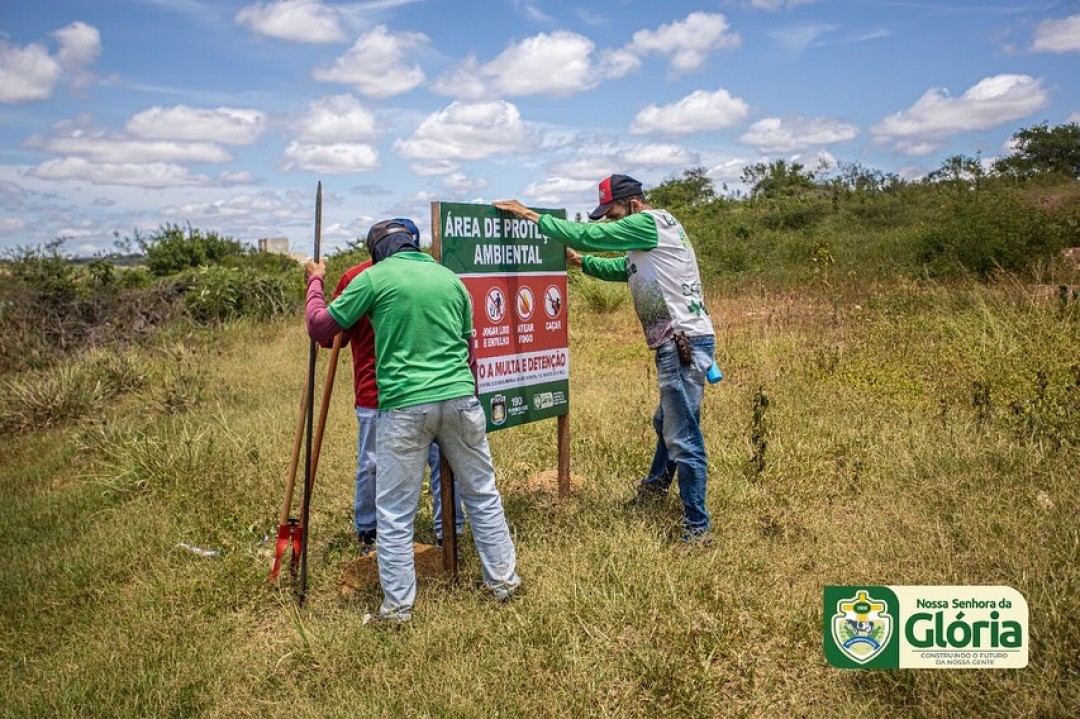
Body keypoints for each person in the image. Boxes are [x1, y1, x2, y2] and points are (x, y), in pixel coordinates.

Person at [306, 218, 520, 621]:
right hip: (460, 399)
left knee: (394, 512)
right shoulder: (450, 279)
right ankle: (504, 583)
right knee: (483, 494)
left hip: (404, 406)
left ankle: (398, 608)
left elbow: (320, 327)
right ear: (412, 245)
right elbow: (469, 351)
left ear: (376, 253)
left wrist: (315, 281)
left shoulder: (372, 279)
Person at [495, 175, 717, 542]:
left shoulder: (648, 222)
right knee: (667, 422)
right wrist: (581, 262)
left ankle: (697, 527)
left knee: (683, 435)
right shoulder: (654, 234)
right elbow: (625, 271)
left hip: (679, 345)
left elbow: (588, 235)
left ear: (632, 203)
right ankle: (653, 491)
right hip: (686, 341)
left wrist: (529, 215)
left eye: (613, 213)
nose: (612, 222)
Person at [327, 218, 464, 554]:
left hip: (424, 389)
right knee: (376, 463)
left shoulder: (430, 275)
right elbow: (332, 337)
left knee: (439, 462)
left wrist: (313, 287)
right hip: (377, 391)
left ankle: (449, 531)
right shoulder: (359, 278)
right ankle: (370, 532)